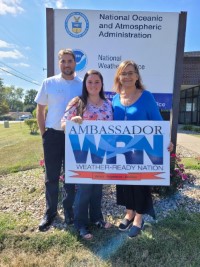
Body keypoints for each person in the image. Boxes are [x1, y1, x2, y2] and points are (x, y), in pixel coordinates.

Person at [112, 60, 173, 238]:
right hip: (121, 150)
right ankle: (129, 212)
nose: (127, 76)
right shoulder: (115, 97)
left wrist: (166, 141)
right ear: (119, 76)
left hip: (142, 151)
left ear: (137, 76)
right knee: (123, 182)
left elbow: (157, 121)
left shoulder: (146, 96)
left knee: (139, 184)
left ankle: (139, 217)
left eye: (131, 73)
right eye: (124, 73)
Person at [61, 70, 113, 240]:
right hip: (82, 153)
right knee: (84, 189)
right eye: (90, 82)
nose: (93, 85)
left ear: (101, 84)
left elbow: (113, 129)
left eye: (97, 82)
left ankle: (97, 218)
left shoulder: (107, 104)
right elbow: (63, 123)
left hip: (101, 152)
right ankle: (80, 224)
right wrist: (72, 121)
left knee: (98, 189)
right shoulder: (78, 102)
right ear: (85, 84)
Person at [35, 48, 82, 231]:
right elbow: (40, 110)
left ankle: (68, 210)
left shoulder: (81, 84)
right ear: (59, 63)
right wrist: (43, 134)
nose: (67, 64)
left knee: (71, 176)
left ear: (75, 63)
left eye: (70, 61)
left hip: (73, 137)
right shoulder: (49, 83)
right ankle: (50, 212)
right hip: (52, 135)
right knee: (51, 177)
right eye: (63, 61)